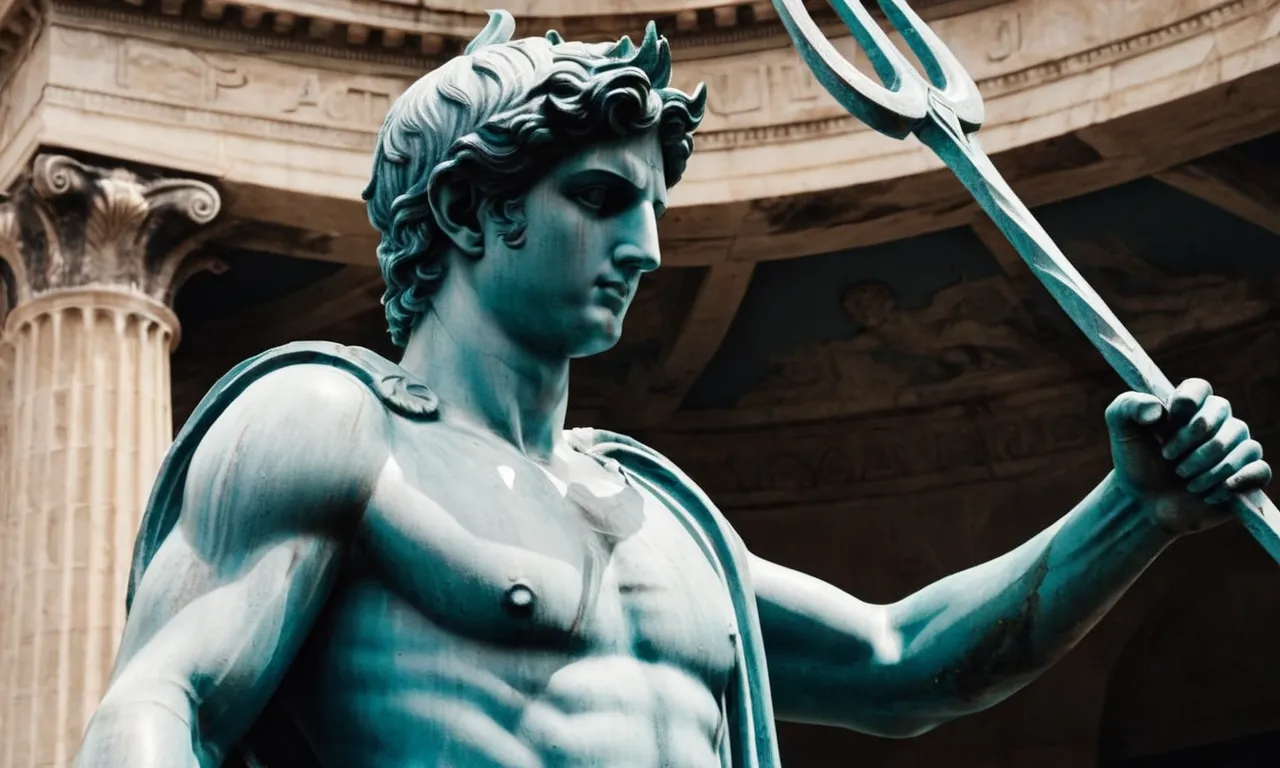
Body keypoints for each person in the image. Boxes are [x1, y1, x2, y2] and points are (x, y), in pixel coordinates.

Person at [75, 12, 1271, 768]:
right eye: (599, 200)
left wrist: (1132, 510)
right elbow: (155, 710)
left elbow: (905, 665)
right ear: (464, 210)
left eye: (652, 210)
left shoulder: (659, 514)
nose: (643, 247)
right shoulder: (329, 428)